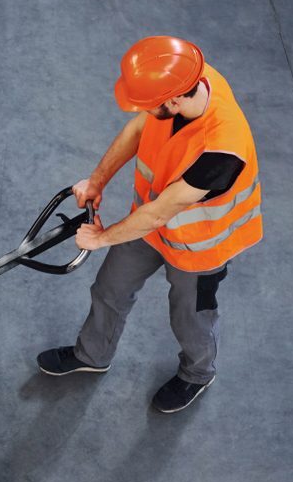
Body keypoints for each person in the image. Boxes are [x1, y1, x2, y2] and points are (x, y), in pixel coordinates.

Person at [37, 36, 263, 413]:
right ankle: (93, 354)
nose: (143, 110)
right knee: (110, 288)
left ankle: (197, 373)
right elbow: (139, 130)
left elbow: (161, 212)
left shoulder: (223, 149)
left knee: (190, 317)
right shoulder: (188, 79)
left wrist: (102, 237)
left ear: (174, 101)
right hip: (147, 225)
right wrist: (97, 180)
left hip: (199, 246)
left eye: (149, 104)